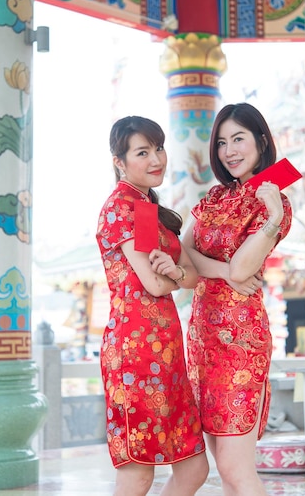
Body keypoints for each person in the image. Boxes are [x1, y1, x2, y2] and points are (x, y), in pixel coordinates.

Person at [183, 103, 293, 496]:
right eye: (223, 142)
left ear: (261, 141)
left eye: (239, 139)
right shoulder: (213, 198)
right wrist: (220, 271)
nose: (229, 150)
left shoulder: (273, 202)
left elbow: (246, 269)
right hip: (202, 339)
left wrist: (271, 220)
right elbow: (183, 255)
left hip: (240, 340)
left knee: (235, 466)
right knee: (226, 470)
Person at [96, 116, 208, 496]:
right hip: (135, 353)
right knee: (138, 471)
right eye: (142, 152)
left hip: (167, 350)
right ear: (119, 161)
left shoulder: (150, 209)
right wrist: (174, 276)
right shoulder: (122, 207)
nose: (156, 158)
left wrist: (175, 273)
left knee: (194, 469)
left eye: (158, 148)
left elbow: (188, 277)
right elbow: (154, 284)